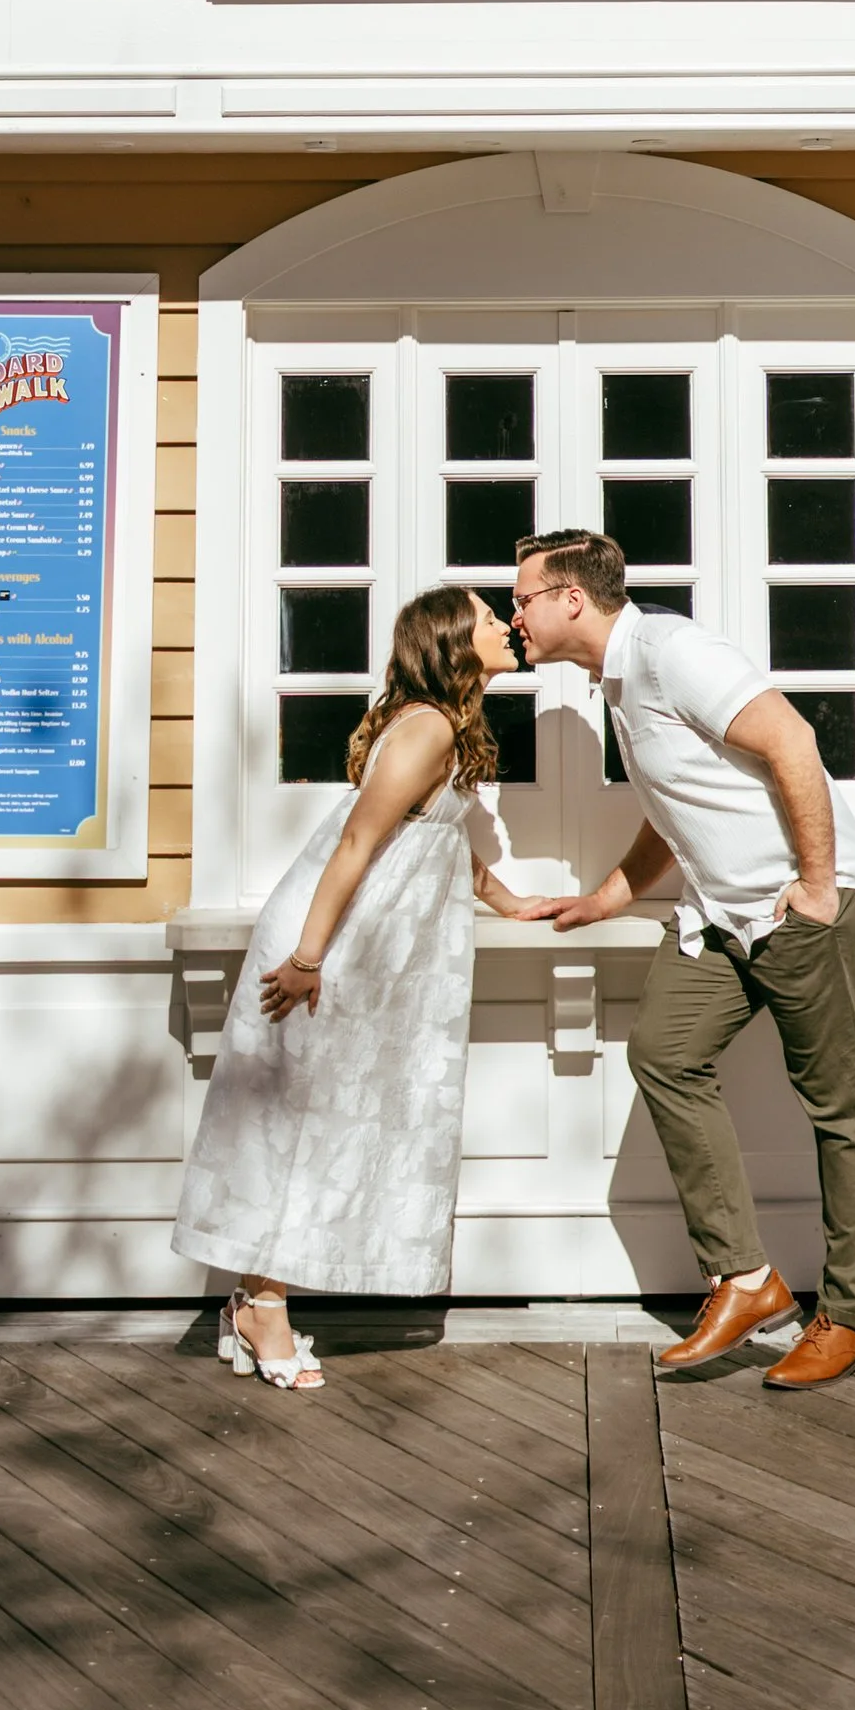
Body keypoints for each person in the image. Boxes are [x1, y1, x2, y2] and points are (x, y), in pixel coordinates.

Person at [513, 528, 855, 1391]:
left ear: (573, 598)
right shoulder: (619, 679)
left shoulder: (671, 650)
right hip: (725, 917)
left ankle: (849, 1318)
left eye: (523, 596)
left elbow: (791, 740)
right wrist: (608, 896)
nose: (516, 614)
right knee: (664, 1052)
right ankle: (749, 1279)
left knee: (841, 1110)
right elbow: (676, 804)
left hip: (804, 909)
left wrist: (821, 886)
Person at [174, 582, 539, 1383]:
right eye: (487, 618)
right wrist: (308, 959)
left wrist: (511, 900)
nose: (505, 625)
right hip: (332, 945)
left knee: (318, 1122)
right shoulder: (429, 726)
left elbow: (438, 838)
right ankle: (264, 1308)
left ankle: (250, 1302)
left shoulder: (443, 725)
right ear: (450, 642)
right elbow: (354, 844)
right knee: (297, 1124)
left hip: (363, 948)